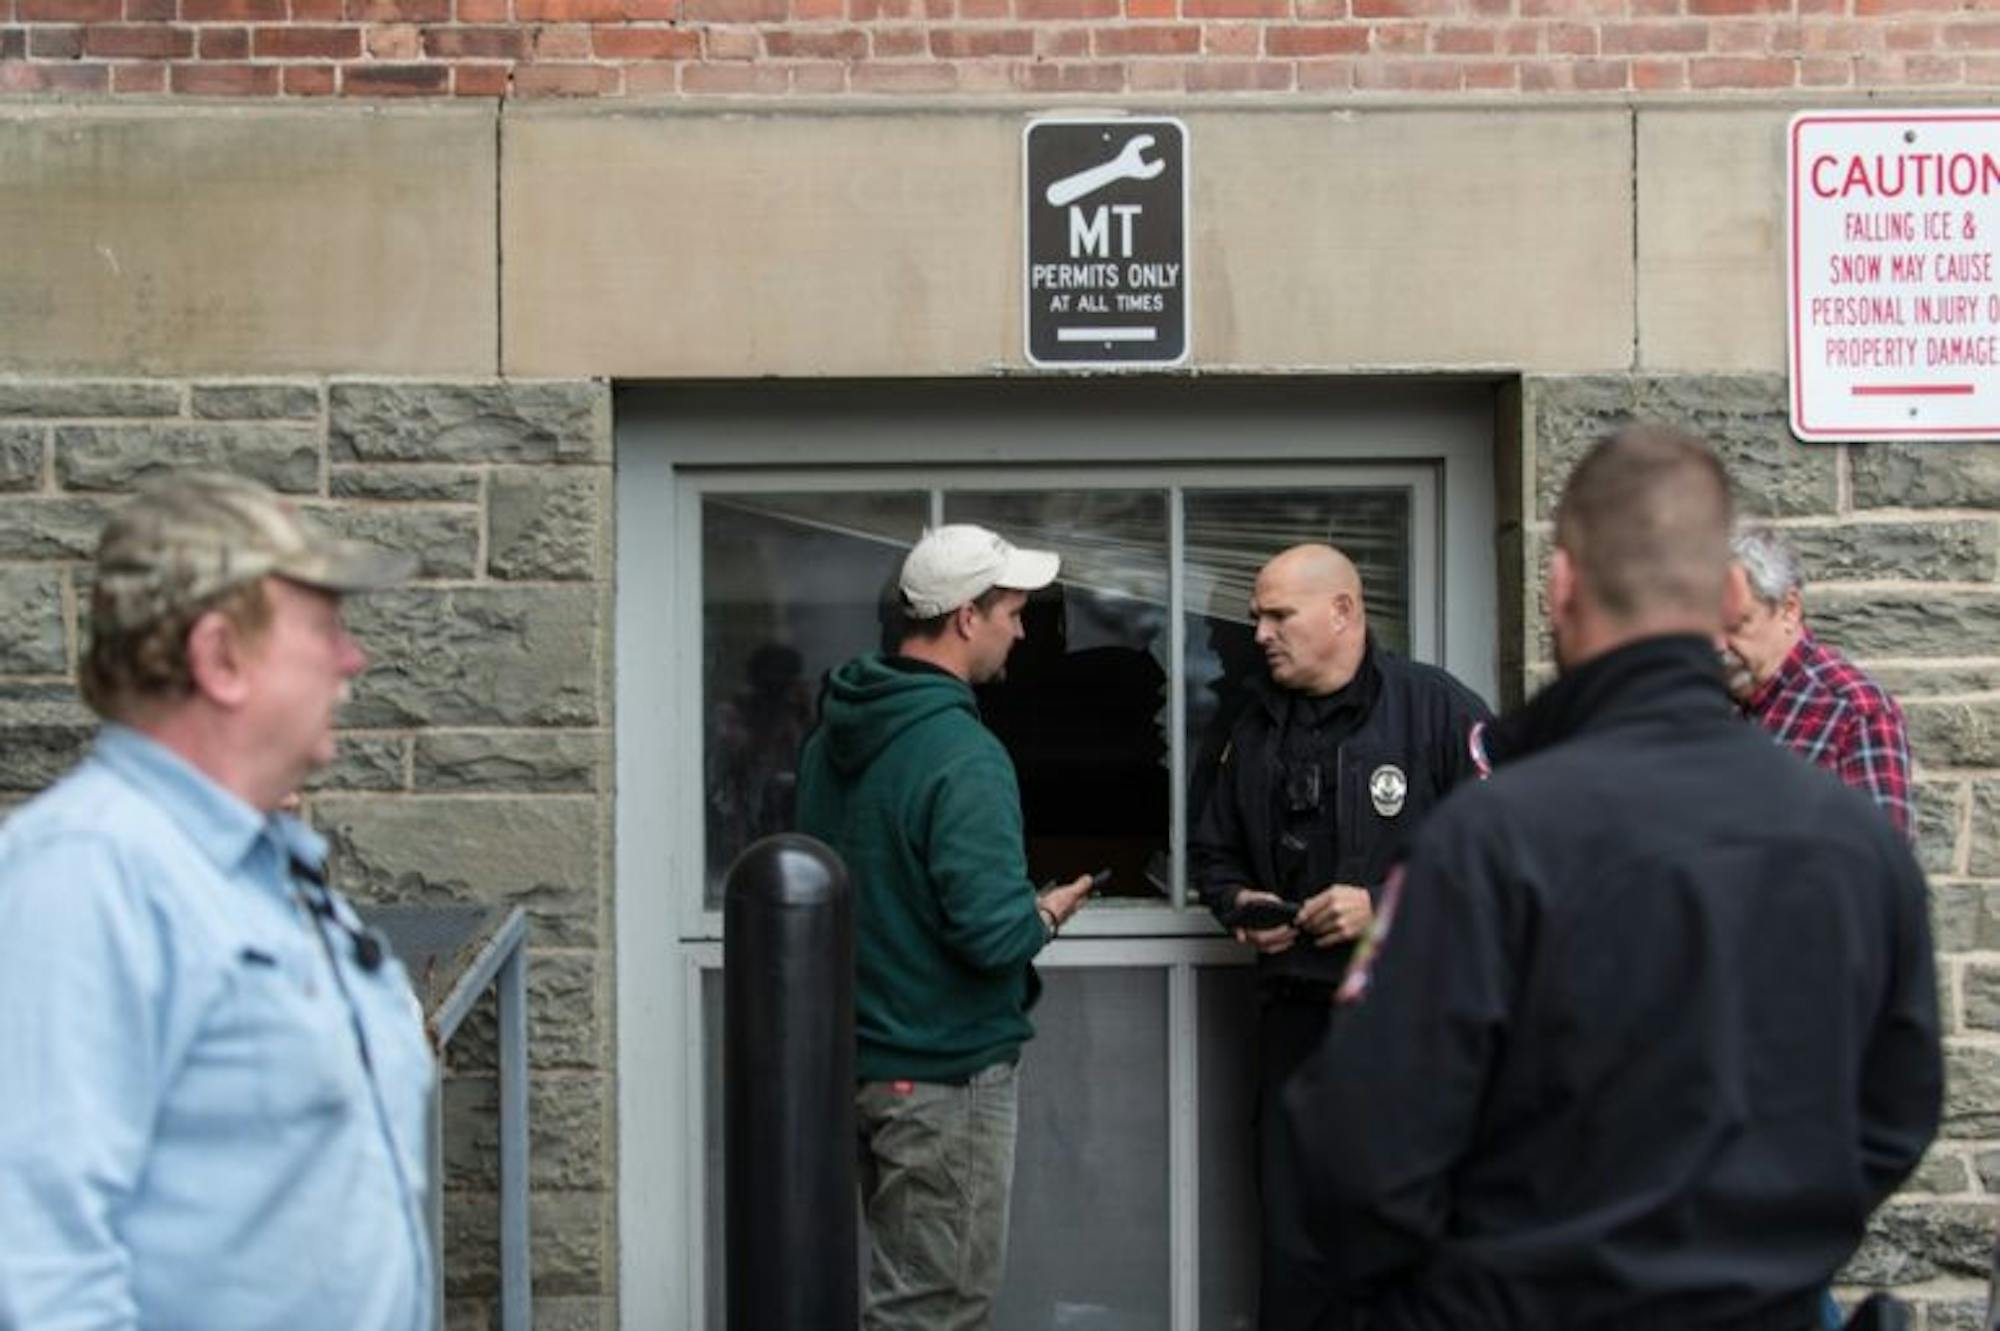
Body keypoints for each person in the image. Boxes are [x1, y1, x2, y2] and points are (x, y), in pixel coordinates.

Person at [1295, 426, 1942, 1330]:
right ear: (1724, 593)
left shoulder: (1486, 841)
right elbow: (1896, 1111)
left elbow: (1358, 1144)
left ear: (1559, 586)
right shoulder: (1855, 845)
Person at [0, 473, 435, 1331]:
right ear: (220, 658)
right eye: (323, 626)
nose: (354, 659)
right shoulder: (87, 871)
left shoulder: (265, 871)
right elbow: (39, 1271)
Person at [794, 522, 1097, 1331]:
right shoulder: (963, 753)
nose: (1021, 631)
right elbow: (991, 934)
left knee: (898, 1302)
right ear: (967, 616)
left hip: (860, 1065)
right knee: (933, 1312)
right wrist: (1045, 910)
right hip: (943, 1079)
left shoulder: (833, 739)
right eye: (1012, 612)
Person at [1187, 541, 1493, 1331]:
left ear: (1344, 611)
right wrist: (1238, 901)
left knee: (1412, 1244)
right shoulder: (1247, 729)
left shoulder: (1438, 711)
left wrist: (1387, 909)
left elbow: (1508, 863)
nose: (1259, 633)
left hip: (1414, 1027)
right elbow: (1212, 851)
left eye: (1278, 614)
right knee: (1296, 1250)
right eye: (1256, 616)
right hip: (1295, 1024)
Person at [1723, 524, 1913, 839]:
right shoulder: (1705, 702)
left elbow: (1879, 873)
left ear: (1788, 610)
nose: (1718, 645)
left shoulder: (1856, 712)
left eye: (1736, 625)